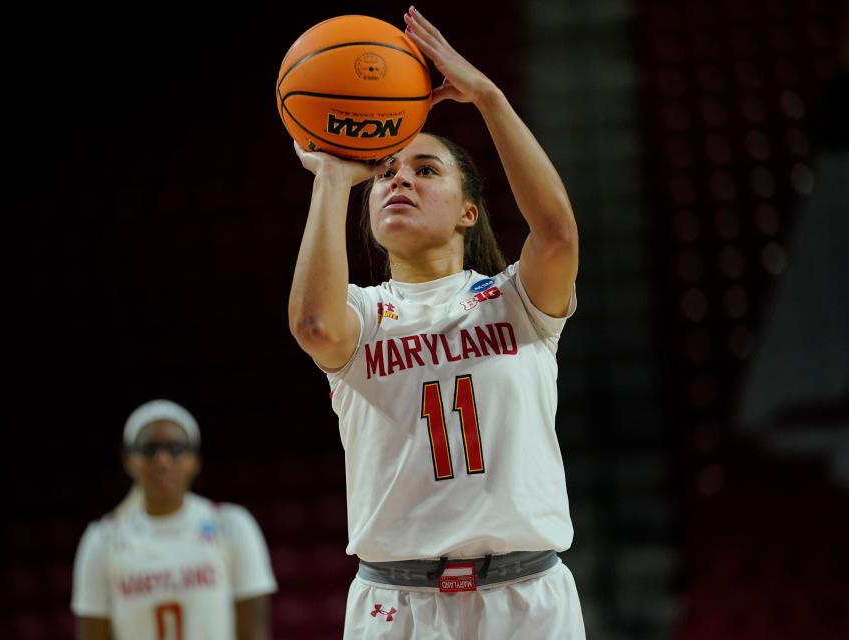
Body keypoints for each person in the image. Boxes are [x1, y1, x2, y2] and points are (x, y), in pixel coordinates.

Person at [289, 6, 586, 638]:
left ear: (469, 213)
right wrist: (337, 177)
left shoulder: (516, 302)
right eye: (387, 173)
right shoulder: (363, 315)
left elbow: (557, 232)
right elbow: (314, 326)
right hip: (397, 604)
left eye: (427, 170)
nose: (401, 180)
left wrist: (486, 96)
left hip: (525, 597)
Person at [70, 399, 277, 640]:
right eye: (149, 449)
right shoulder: (102, 538)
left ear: (194, 459)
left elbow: (255, 634)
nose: (162, 460)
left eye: (176, 448)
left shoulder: (232, 525)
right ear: (129, 460)